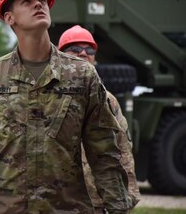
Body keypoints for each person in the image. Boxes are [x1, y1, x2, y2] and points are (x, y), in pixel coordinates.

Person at [0, 0, 133, 213]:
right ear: (9, 17)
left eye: (42, 0)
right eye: (27, 1)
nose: (38, 5)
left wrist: (118, 208)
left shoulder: (82, 76)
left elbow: (105, 154)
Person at [58, 25, 140, 210]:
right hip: (58, 202)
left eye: (89, 50)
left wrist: (129, 195)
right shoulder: (48, 97)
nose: (83, 53)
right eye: (75, 49)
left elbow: (122, 150)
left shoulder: (108, 100)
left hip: (95, 202)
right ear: (60, 55)